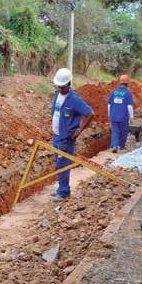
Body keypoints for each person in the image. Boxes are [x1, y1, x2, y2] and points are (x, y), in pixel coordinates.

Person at [51, 68, 94, 202]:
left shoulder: (75, 100)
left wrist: (79, 130)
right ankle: (62, 188)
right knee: (58, 164)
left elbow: (89, 113)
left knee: (63, 164)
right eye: (59, 86)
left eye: (63, 87)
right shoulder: (57, 95)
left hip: (66, 138)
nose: (60, 89)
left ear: (69, 84)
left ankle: (63, 192)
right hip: (57, 135)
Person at [108, 74, 134, 153]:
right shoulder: (128, 93)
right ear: (127, 83)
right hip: (123, 117)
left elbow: (109, 105)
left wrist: (109, 114)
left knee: (115, 131)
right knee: (123, 131)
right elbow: (129, 107)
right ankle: (121, 146)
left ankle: (114, 145)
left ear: (120, 82)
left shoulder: (114, 92)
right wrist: (131, 117)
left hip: (113, 115)